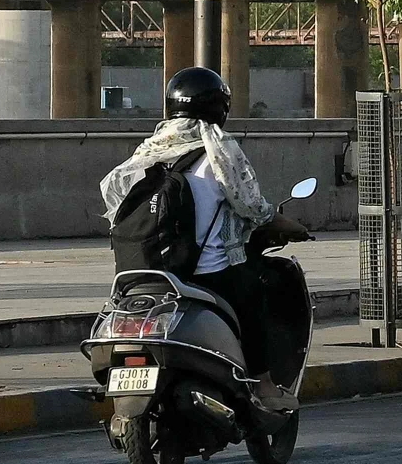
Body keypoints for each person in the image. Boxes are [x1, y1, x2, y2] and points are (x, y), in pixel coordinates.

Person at [96, 68, 302, 410]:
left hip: (141, 276)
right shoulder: (219, 152)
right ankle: (264, 386)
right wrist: (290, 226)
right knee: (254, 298)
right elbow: (253, 206)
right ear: (220, 108)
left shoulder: (147, 153)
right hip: (206, 275)